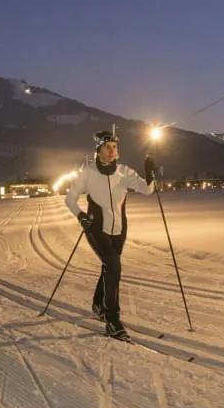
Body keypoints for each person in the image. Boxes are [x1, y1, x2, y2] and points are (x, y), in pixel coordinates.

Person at [65, 131, 157, 340]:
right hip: (95, 227)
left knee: (110, 267)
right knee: (114, 265)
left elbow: (147, 190)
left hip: (119, 229)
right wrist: (80, 216)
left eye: (114, 146)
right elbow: (70, 199)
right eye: (107, 147)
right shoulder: (87, 172)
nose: (112, 150)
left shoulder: (124, 172)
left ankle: (98, 303)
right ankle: (112, 319)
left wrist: (149, 173)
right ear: (98, 150)